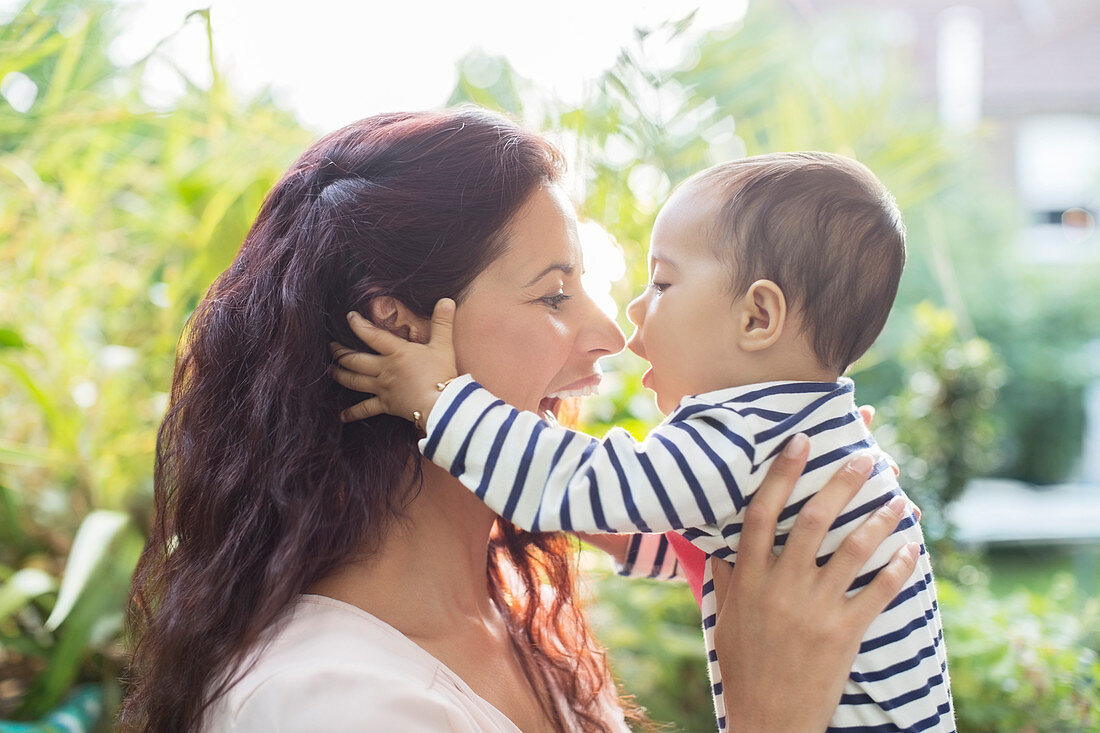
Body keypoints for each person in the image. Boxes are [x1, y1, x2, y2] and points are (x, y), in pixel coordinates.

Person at [122, 108, 919, 733]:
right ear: (399, 329)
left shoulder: (516, 615)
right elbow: (601, 491)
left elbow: (611, 496)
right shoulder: (330, 701)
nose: (615, 332)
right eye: (552, 293)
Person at [332, 152, 953, 731]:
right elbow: (678, 538)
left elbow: (577, 485)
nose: (629, 312)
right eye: (552, 295)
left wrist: (437, 400)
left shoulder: (744, 436)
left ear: (757, 317)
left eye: (661, 284)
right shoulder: (803, 430)